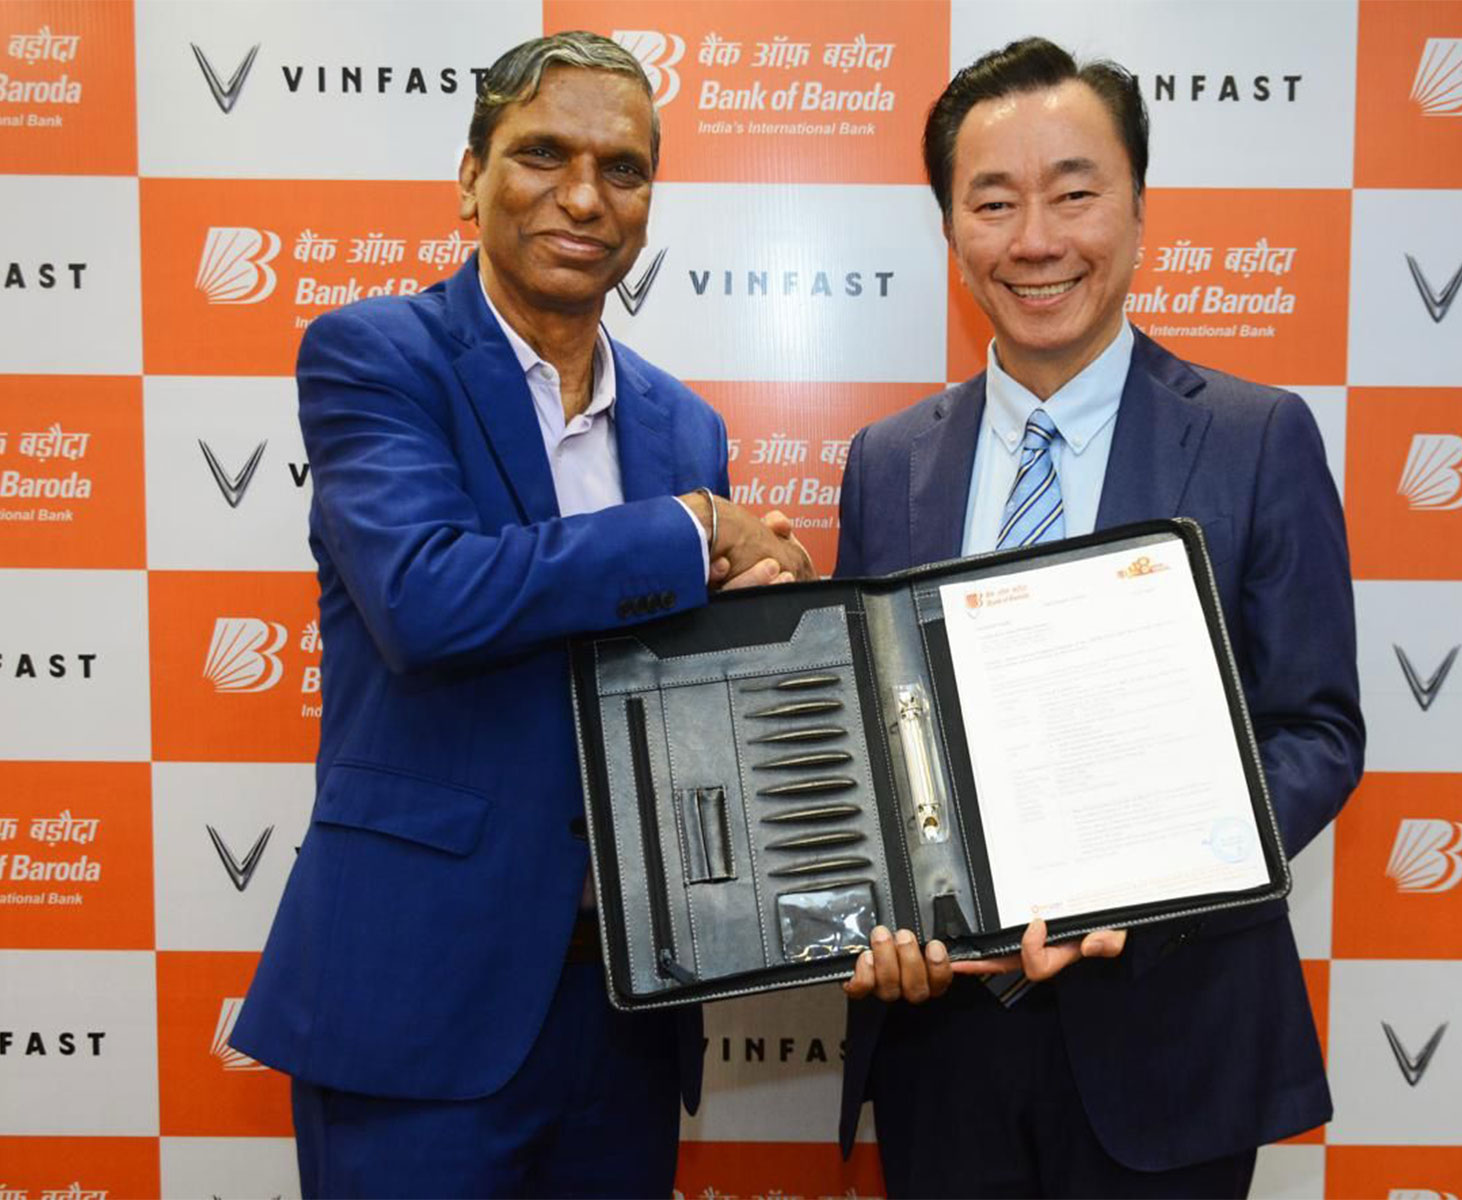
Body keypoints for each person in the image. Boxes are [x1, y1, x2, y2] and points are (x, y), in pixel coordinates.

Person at [229, 31, 812, 1199]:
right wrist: (692, 537)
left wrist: (765, 638)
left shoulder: (682, 426)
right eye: (542, 154)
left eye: (624, 167)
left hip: (629, 1004)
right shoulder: (376, 357)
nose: (585, 197)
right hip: (416, 1000)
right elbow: (427, 598)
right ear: (469, 177)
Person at [833, 37, 1363, 1198]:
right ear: (950, 228)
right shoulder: (887, 465)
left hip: (1170, 1032)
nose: (1035, 240)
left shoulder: (1255, 439)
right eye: (993, 202)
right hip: (944, 1046)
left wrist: (1154, 874)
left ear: (1135, 210)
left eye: (1074, 194)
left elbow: (1316, 730)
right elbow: (884, 747)